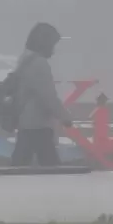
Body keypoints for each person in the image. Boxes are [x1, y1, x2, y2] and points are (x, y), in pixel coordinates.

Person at [11, 22, 73, 167]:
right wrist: (65, 117)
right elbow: (48, 97)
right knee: (51, 167)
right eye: (52, 44)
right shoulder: (39, 64)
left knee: (19, 165)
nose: (53, 50)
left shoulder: (25, 59)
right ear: (44, 43)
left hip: (26, 124)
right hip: (38, 126)